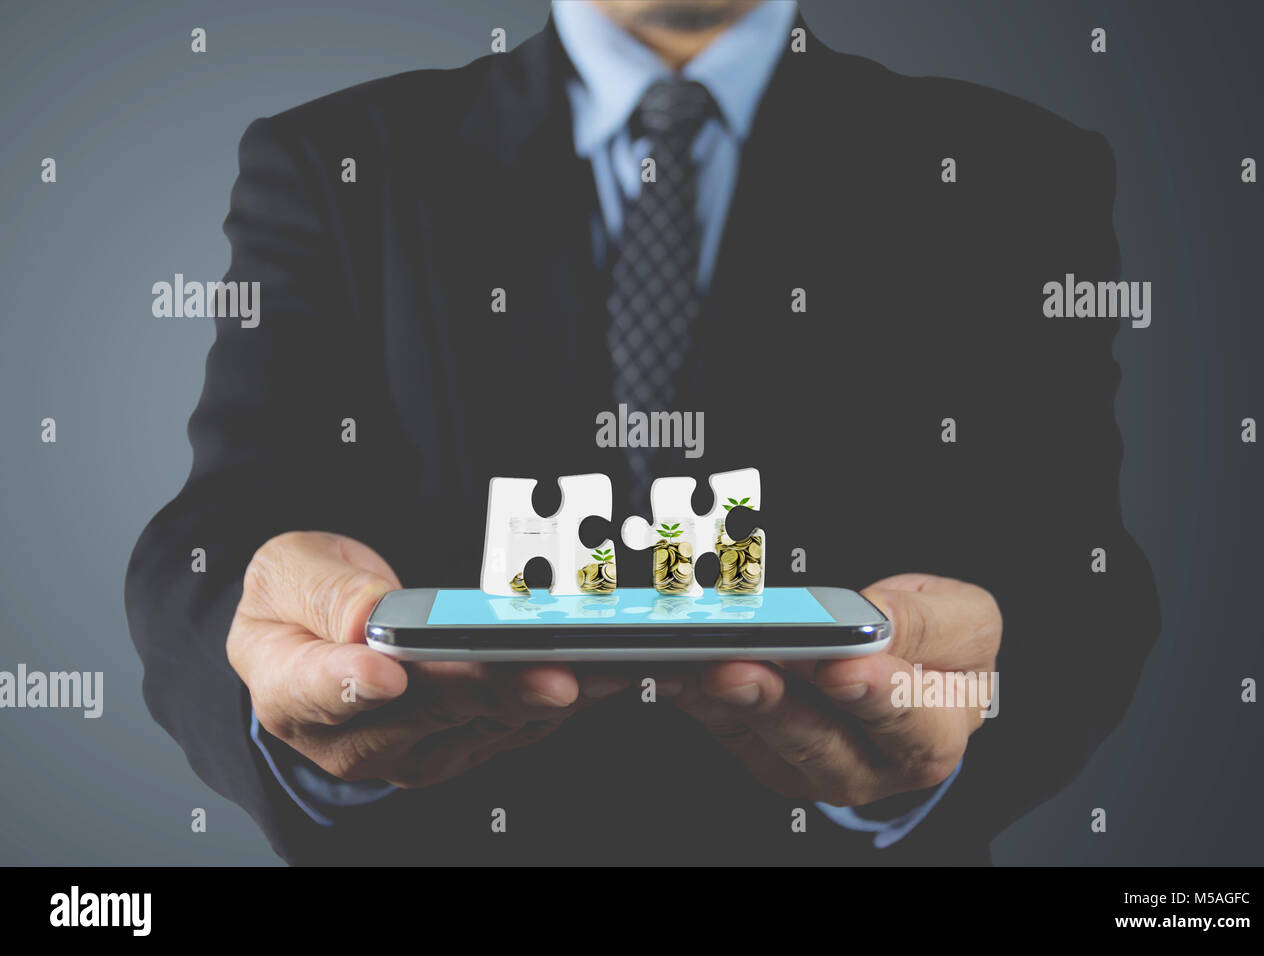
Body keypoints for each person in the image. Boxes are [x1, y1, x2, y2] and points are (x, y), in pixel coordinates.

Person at [126, 0, 1159, 865]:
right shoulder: (335, 160)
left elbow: (1079, 565)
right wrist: (279, 678)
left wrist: (962, 717)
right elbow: (217, 536)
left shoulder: (1014, 169)